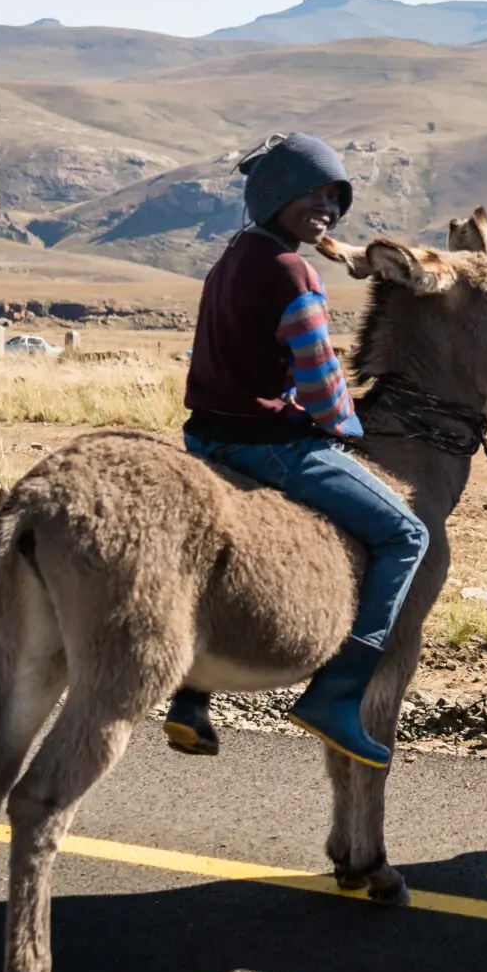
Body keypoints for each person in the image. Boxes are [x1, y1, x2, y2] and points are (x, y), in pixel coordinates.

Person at [162, 133, 429, 767]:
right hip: (267, 446)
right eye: (313, 192)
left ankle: (190, 699)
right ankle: (337, 694)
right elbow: (318, 378)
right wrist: (346, 426)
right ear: (275, 194)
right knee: (405, 536)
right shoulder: (291, 269)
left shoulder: (231, 257)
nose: (328, 209)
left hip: (205, 436)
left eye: (336, 197)